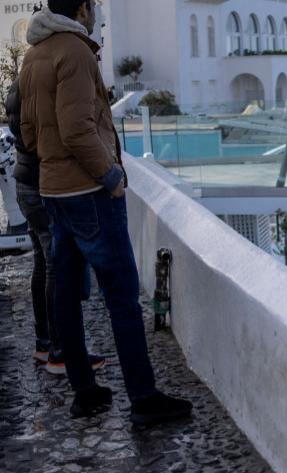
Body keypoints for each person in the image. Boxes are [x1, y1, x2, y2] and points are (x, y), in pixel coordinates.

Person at [19, 1, 192, 424]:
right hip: (88, 191)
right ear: (82, 9)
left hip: (53, 191)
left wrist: (54, 166)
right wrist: (111, 175)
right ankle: (144, 398)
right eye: (93, 5)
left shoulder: (35, 53)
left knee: (66, 292)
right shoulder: (74, 51)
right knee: (121, 296)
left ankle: (85, 391)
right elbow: (77, 126)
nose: (96, 11)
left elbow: (26, 130)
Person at [6, 77, 105, 375]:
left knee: (43, 261)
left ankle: (45, 343)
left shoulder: (21, 81)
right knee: (56, 265)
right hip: (40, 183)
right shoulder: (41, 83)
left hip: (25, 182)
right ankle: (61, 353)